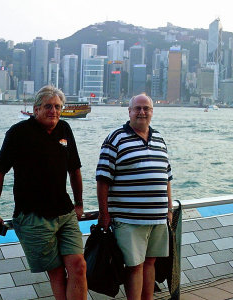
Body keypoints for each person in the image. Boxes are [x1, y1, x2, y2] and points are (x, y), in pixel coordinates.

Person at [0, 85, 87, 300]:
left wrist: (79, 203)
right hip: (33, 216)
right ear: (36, 109)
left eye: (58, 107)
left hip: (65, 213)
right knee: (57, 273)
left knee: (79, 266)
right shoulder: (18, 133)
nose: (54, 111)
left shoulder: (65, 129)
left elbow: (74, 170)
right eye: (48, 106)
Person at [96, 94, 173, 300]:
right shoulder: (115, 138)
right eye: (137, 108)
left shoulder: (159, 139)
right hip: (129, 219)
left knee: (150, 263)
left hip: (157, 219)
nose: (142, 112)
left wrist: (169, 210)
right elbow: (103, 180)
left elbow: (167, 178)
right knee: (134, 266)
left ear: (152, 112)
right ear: (129, 111)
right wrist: (104, 213)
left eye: (146, 108)